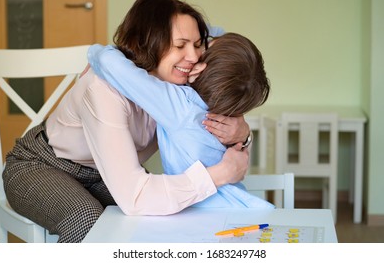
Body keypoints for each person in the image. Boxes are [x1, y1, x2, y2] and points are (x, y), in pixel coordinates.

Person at [2, 0, 250, 243]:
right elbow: (136, 196)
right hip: (40, 165)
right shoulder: (104, 88)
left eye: (197, 45)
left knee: (165, 217)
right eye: (180, 45)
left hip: (105, 175)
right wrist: (220, 174)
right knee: (85, 219)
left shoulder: (181, 81)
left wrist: (243, 132)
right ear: (148, 42)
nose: (194, 57)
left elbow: (224, 47)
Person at [88, 32, 274, 208]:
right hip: (238, 203)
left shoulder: (178, 104)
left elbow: (108, 62)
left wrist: (95, 52)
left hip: (201, 211)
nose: (193, 55)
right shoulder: (228, 105)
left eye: (203, 47)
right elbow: (221, 43)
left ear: (203, 67)